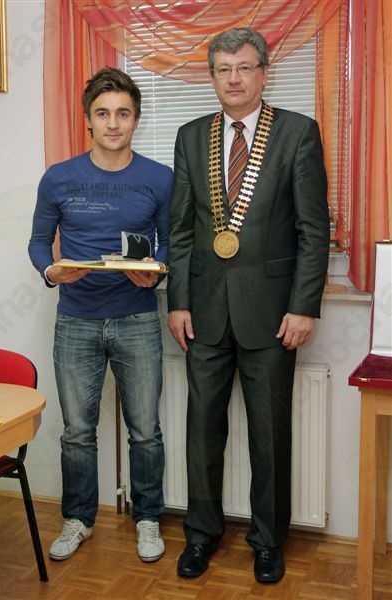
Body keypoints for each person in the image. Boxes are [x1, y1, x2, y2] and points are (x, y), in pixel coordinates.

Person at [167, 28, 330, 583]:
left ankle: (267, 540)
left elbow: (313, 231)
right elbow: (181, 230)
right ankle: (201, 534)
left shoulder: (297, 133)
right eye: (223, 69)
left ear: (264, 73)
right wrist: (178, 302)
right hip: (204, 313)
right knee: (202, 432)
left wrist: (304, 306)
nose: (233, 78)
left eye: (243, 67)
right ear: (212, 76)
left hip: (274, 314)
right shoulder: (191, 136)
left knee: (270, 435)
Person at [29, 67, 172, 563]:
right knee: (76, 432)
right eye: (103, 113)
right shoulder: (58, 177)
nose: (113, 123)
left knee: (145, 430)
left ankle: (148, 519)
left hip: (138, 319)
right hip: (76, 320)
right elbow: (38, 242)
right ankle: (78, 520)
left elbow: (171, 243)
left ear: (136, 119)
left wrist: (157, 274)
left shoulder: (160, 178)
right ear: (88, 119)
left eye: (123, 114)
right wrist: (51, 271)